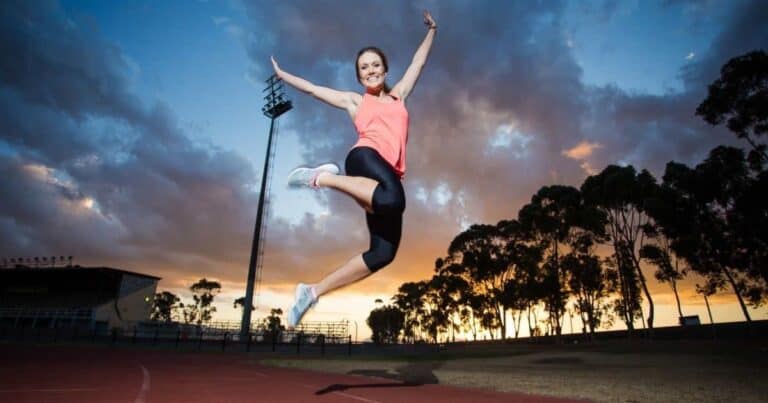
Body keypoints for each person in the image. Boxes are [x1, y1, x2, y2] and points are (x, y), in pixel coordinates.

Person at [271, 10, 437, 328]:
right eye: (364, 68)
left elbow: (418, 63)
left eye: (376, 64)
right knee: (394, 200)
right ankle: (324, 177)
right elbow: (313, 89)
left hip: (383, 180)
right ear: (359, 77)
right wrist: (284, 77)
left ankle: (312, 291)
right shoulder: (354, 101)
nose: (371, 70)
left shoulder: (399, 95)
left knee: (382, 253)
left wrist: (433, 31)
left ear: (385, 69)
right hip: (363, 159)